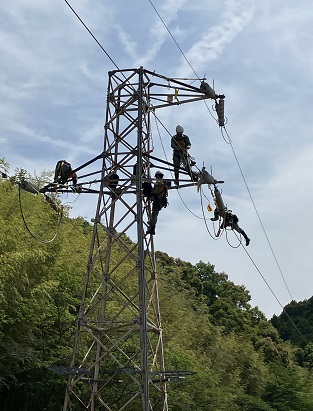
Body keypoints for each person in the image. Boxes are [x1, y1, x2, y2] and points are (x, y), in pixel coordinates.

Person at [146, 171, 168, 235]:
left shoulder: (158, 182)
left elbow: (154, 191)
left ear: (157, 176)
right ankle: (151, 224)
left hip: (157, 201)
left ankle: (152, 229)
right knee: (155, 214)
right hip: (161, 201)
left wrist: (149, 192)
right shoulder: (164, 183)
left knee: (154, 215)